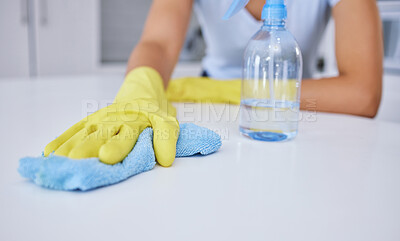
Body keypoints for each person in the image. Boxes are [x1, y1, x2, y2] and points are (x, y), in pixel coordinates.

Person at [44, 0, 383, 166]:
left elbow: (362, 92)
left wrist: (226, 91)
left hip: (289, 109)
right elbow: (158, 44)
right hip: (203, 108)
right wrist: (140, 88)